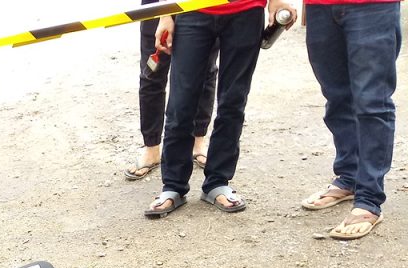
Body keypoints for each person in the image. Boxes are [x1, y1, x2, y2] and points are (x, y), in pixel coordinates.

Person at [145, 0, 297, 218]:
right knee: (181, 102)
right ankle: (173, 185)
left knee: (233, 101)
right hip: (192, 9)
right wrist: (165, 14)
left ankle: (217, 182)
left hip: (246, 10)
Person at [300, 0, 402, 240]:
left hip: (373, 7)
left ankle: (368, 199)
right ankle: (349, 177)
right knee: (336, 97)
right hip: (320, 7)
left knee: (372, 102)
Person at [125, 1, 220, 181]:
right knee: (152, 72)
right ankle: (152, 148)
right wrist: (165, 13)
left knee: (205, 70)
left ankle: (198, 140)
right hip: (157, 5)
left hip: (200, 6)